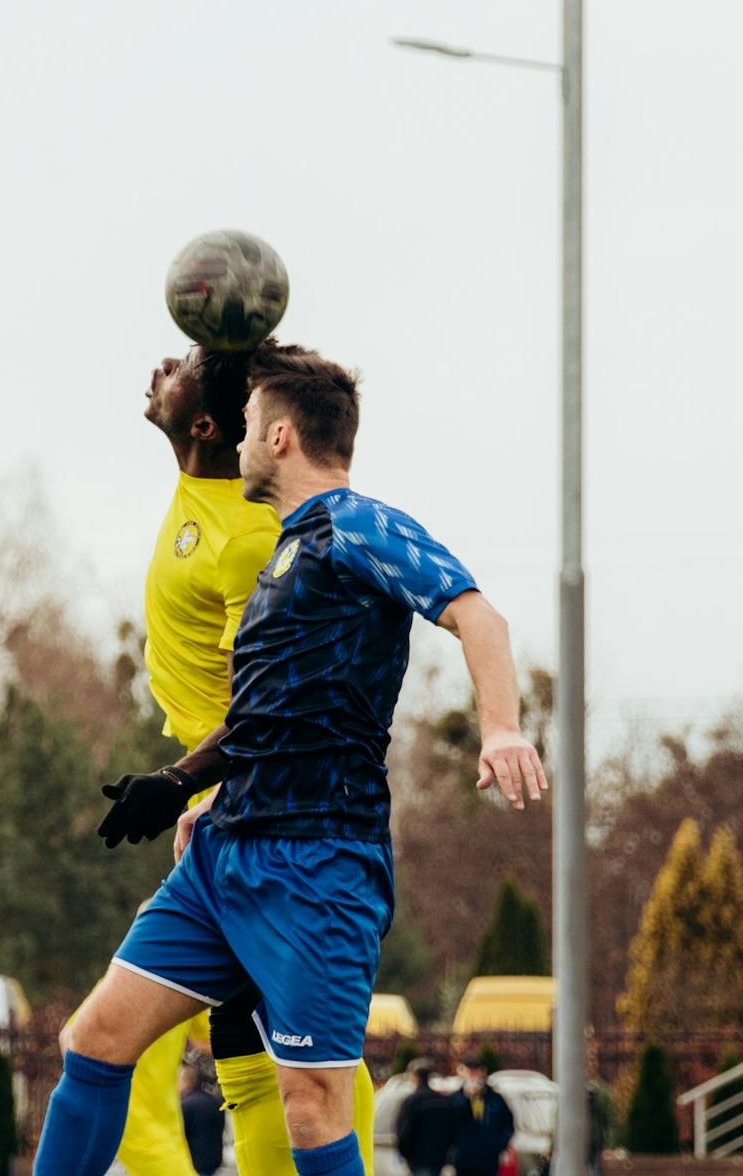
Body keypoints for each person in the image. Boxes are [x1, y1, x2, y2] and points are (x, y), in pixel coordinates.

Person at [37, 345, 547, 1176]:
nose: (235, 443)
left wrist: (501, 727)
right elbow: (260, 718)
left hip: (318, 865)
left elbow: (478, 616)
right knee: (93, 1043)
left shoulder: (358, 524)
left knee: (311, 1106)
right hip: (223, 855)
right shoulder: (283, 552)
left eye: (245, 428)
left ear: (278, 438)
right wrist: (175, 786)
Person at [109, 343, 376, 1175]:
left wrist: (192, 788)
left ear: (205, 422)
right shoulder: (210, 487)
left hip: (268, 807)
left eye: (184, 362)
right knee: (237, 1038)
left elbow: (265, 703)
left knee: (290, 1061)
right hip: (228, 801)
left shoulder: (249, 536)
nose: (163, 361)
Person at [448, 1056, 517, 1176]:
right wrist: (467, 1097)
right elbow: (450, 1124)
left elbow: (508, 1124)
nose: (473, 1075)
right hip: (464, 1158)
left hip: (488, 1159)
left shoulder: (495, 1098)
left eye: (477, 1070)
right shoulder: (455, 1099)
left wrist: (499, 1145)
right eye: (469, 1071)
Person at [396, 1059, 457, 1176]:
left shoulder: (412, 1101)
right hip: (439, 1159)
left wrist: (405, 1154)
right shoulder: (443, 1100)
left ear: (415, 1077)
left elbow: (404, 1131)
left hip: (418, 1160)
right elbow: (452, 1129)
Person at [179, 1062, 225, 1176]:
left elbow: (178, 1133)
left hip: (193, 1162)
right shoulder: (213, 1101)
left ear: (186, 1081)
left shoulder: (185, 1105)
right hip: (214, 1159)